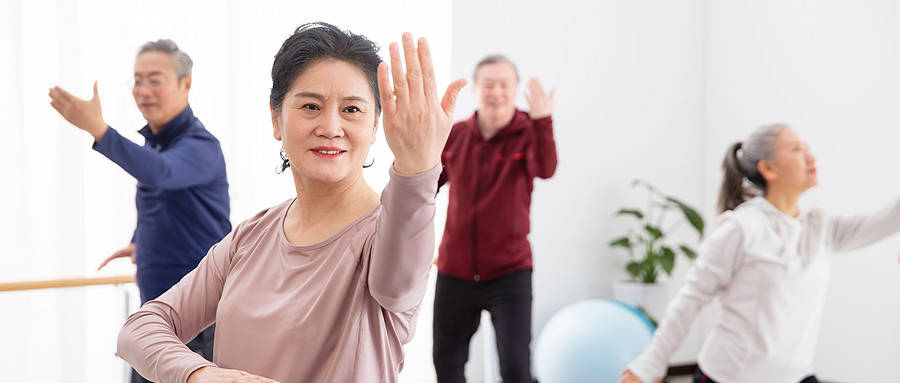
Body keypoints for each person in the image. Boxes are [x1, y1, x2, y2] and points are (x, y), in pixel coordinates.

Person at [115, 22, 467, 383]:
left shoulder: (383, 237)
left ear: (376, 124)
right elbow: (139, 329)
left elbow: (400, 279)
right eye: (311, 106)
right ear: (276, 118)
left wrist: (417, 168)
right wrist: (199, 373)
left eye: (352, 110)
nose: (331, 126)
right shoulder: (250, 238)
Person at [620, 124, 900, 383]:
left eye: (807, 147)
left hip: (796, 377)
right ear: (768, 168)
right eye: (796, 149)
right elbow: (689, 300)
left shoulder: (819, 228)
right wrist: (649, 366)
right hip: (730, 377)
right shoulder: (741, 228)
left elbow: (886, 220)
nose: (810, 156)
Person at [48, 39, 229, 382]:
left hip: (198, 323)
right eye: (137, 79)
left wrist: (98, 129)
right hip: (156, 316)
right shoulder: (158, 143)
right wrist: (140, 240)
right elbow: (162, 194)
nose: (143, 90)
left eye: (155, 79)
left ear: (185, 83)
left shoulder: (200, 146)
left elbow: (159, 172)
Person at [432, 54, 557, 383]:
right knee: (447, 363)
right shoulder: (456, 135)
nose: (496, 92)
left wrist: (543, 121)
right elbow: (427, 184)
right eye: (489, 85)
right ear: (476, 90)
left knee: (516, 369)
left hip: (509, 273)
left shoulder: (529, 132)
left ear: (515, 90)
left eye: (504, 85)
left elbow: (547, 168)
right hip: (455, 271)